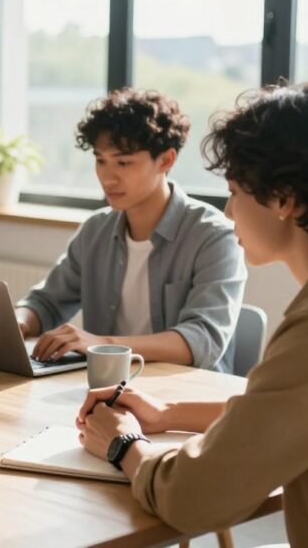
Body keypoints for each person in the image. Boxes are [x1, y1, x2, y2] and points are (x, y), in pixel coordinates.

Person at [77, 84, 308, 545]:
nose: (228, 212)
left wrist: (123, 444)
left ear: (283, 198)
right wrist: (167, 413)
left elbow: (191, 498)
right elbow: (295, 410)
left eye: (234, 192)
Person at [17, 88, 246, 371]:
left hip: (184, 389)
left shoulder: (213, 236)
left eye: (123, 162)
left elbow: (202, 340)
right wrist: (19, 321)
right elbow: (47, 303)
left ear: (166, 160)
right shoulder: (95, 230)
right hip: (107, 385)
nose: (108, 178)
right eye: (100, 160)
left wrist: (102, 344)